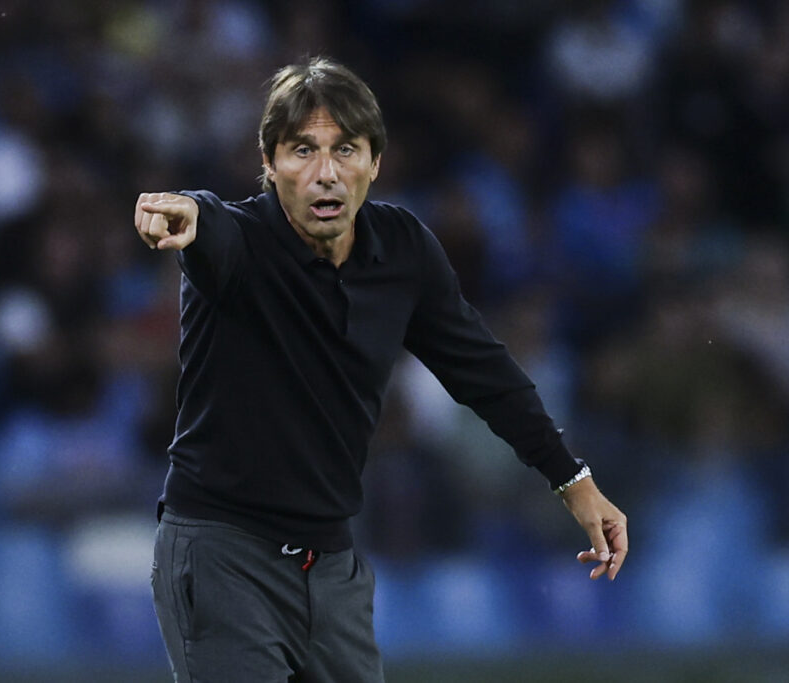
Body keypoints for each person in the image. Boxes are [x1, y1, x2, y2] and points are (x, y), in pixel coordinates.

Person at [134, 57, 628, 683]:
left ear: (374, 164)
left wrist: (574, 483)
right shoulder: (239, 244)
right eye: (302, 150)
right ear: (269, 164)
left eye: (345, 150)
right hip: (222, 556)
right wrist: (189, 213)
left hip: (331, 567)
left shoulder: (402, 250)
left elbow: (485, 373)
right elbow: (212, 228)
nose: (325, 173)